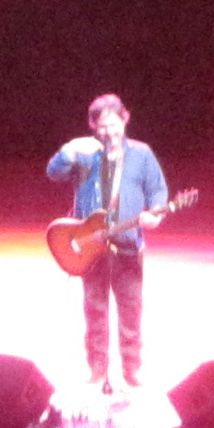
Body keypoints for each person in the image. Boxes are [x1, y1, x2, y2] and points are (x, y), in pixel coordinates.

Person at [46, 91, 169, 402]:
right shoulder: (85, 153)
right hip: (92, 246)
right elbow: (53, 173)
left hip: (127, 245)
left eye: (114, 125)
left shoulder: (141, 153)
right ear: (93, 126)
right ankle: (97, 368)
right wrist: (69, 150)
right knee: (95, 308)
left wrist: (155, 214)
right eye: (102, 127)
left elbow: (158, 192)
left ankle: (132, 369)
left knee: (131, 309)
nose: (109, 132)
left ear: (125, 120)